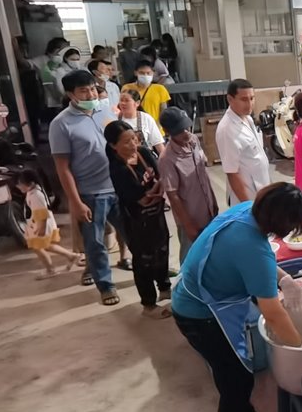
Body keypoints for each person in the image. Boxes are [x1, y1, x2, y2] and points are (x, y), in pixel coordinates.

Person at [172, 184, 302, 412]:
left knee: (228, 372)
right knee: (237, 383)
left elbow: (257, 262)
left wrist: (284, 279)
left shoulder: (247, 211)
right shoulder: (253, 247)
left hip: (191, 293)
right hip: (198, 315)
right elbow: (273, 313)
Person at [48, 70, 123, 305]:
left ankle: (149, 271)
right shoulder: (61, 124)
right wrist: (76, 202)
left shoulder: (105, 112)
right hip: (90, 193)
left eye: (92, 89)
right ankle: (106, 285)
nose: (91, 94)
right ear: (70, 94)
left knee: (132, 232)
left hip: (117, 186)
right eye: (84, 91)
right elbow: (62, 168)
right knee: (95, 242)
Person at [103, 120, 172, 319]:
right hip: (136, 221)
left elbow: (161, 177)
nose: (133, 144)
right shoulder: (118, 169)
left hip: (156, 214)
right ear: (113, 146)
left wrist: (156, 190)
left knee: (162, 250)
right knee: (144, 260)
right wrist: (155, 191)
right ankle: (148, 304)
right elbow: (141, 199)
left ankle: (165, 287)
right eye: (126, 142)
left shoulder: (144, 153)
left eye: (134, 138)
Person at [159, 107, 218, 262]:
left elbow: (203, 175)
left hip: (209, 212)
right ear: (168, 132)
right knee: (191, 259)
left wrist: (214, 205)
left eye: (186, 127)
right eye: (180, 131)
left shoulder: (194, 141)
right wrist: (188, 226)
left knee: (212, 255)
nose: (186, 133)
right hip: (191, 218)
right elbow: (173, 195)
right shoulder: (167, 159)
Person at [16, 170, 79, 279]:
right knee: (47, 245)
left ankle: (50, 269)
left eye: (20, 184)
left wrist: (41, 228)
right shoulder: (34, 192)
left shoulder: (36, 195)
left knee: (38, 247)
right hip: (37, 224)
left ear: (30, 183)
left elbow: (42, 213)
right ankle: (71, 256)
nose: (18, 187)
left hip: (40, 225)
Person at [217, 79, 270, 205]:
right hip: (247, 196)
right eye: (244, 99)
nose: (250, 104)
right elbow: (232, 173)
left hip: (262, 190)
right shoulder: (227, 129)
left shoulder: (247, 118)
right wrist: (247, 206)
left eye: (252, 98)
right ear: (230, 99)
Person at [122, 60, 171, 126]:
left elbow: (163, 111)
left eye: (148, 73)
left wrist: (157, 126)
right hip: (135, 127)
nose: (145, 75)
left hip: (156, 127)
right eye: (142, 73)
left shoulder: (160, 89)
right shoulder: (127, 88)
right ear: (135, 73)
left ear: (153, 73)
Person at [117, 90, 165, 156]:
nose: (123, 103)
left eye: (127, 100)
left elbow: (158, 144)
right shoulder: (115, 119)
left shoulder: (146, 118)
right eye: (121, 100)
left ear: (137, 103)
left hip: (145, 158)